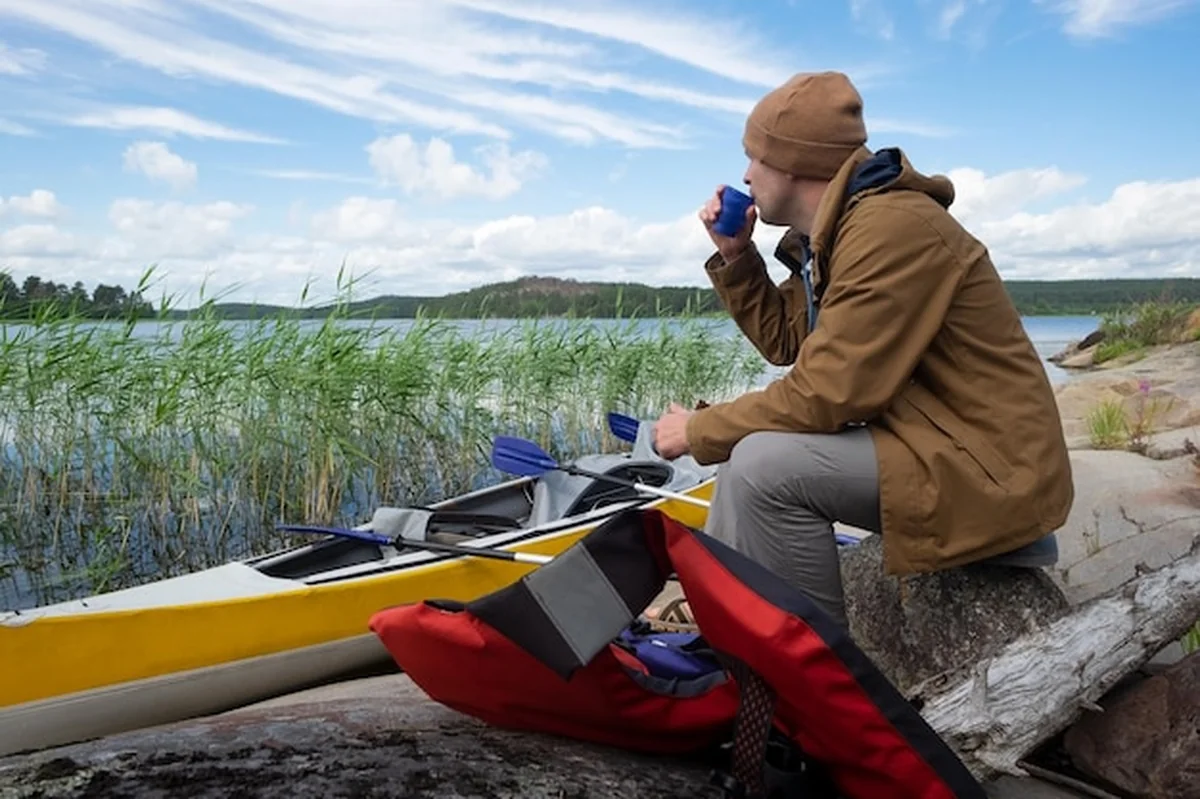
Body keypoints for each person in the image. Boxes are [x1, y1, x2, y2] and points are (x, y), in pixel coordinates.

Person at [651, 71, 1074, 630]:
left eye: (754, 158)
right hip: (938, 445)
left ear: (795, 162)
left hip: (992, 472)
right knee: (748, 456)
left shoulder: (890, 230)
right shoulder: (843, 231)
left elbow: (827, 393)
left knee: (760, 467)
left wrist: (699, 431)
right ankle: (739, 631)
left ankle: (814, 682)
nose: (746, 176)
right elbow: (788, 344)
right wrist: (737, 258)